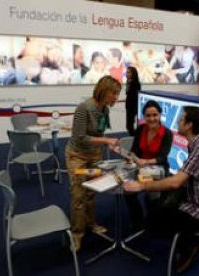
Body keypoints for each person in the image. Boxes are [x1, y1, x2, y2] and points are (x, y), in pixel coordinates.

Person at [124, 106, 199, 273]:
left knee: (154, 222)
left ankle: (192, 244)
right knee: (160, 207)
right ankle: (186, 238)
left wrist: (142, 185)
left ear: (189, 125)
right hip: (197, 201)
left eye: (181, 119)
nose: (178, 121)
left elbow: (176, 182)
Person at [65, 75, 121, 252]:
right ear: (104, 91)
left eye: (118, 94)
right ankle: (77, 233)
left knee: (91, 192)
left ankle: (90, 224)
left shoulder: (104, 109)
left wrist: (106, 144)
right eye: (114, 93)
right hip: (77, 156)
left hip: (94, 155)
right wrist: (106, 141)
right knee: (78, 195)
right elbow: (79, 137)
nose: (116, 98)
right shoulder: (84, 108)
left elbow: (99, 133)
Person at [124, 100, 173, 232]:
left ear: (160, 115)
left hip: (158, 169)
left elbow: (163, 157)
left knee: (152, 196)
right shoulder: (140, 129)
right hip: (139, 166)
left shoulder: (167, 133)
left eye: (155, 115)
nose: (152, 119)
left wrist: (145, 162)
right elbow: (134, 150)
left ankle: (153, 224)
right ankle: (138, 221)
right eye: (148, 116)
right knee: (127, 191)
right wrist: (131, 158)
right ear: (144, 117)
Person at [125, 66, 141, 136]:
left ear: (133, 73)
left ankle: (134, 138)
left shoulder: (136, 83)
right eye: (127, 72)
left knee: (130, 126)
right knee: (129, 125)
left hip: (133, 106)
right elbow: (128, 93)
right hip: (129, 106)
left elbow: (134, 96)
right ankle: (134, 137)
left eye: (129, 72)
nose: (127, 74)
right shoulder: (128, 82)